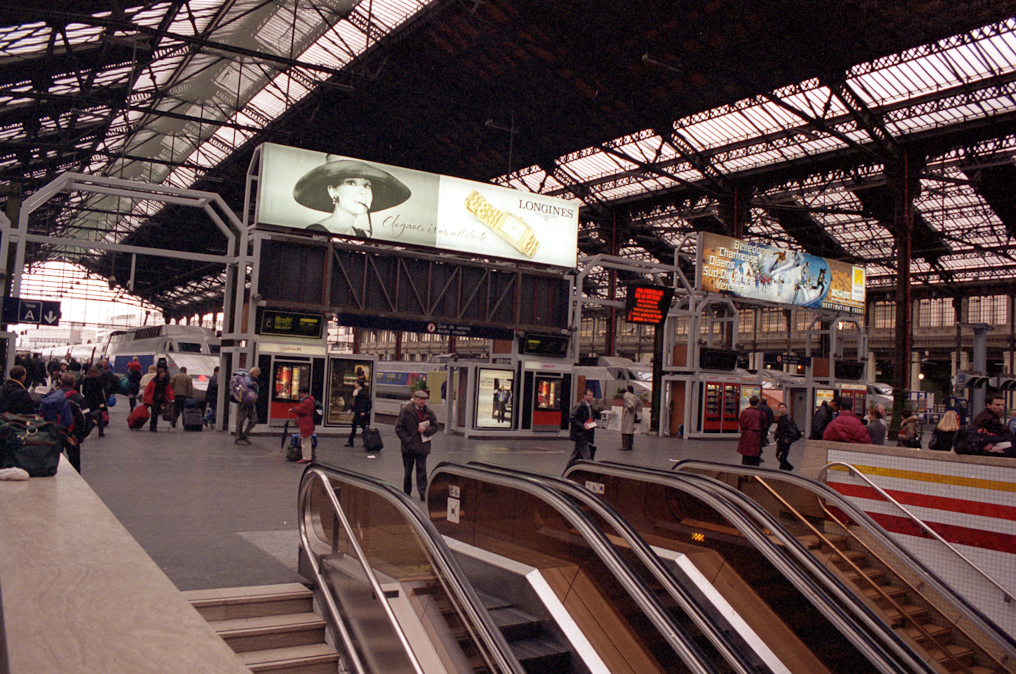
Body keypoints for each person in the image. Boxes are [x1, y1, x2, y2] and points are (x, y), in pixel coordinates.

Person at [292, 158, 411, 237]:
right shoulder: (315, 232)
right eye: (351, 183)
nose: (363, 191)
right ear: (333, 191)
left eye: (367, 185)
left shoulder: (362, 236)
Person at [395, 389, 438, 501]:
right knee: (408, 471)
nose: (422, 401)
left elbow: (435, 427)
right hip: (408, 447)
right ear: (414, 399)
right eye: (420, 399)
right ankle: (407, 492)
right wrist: (407, 440)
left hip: (422, 447)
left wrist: (426, 430)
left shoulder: (429, 412)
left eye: (424, 399)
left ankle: (423, 493)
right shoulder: (406, 411)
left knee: (422, 471)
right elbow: (399, 428)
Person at [567, 389, 600, 468]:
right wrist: (582, 426)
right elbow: (572, 418)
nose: (591, 397)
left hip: (586, 434)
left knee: (575, 454)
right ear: (584, 396)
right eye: (589, 395)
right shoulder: (580, 406)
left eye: (592, 395)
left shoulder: (590, 407)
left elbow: (591, 417)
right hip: (580, 434)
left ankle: (568, 468)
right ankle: (589, 470)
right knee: (587, 455)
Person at [232, 367, 261, 445]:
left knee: (254, 420)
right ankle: (238, 437)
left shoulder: (254, 380)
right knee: (241, 420)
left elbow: (257, 391)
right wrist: (253, 384)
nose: (257, 374)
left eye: (258, 372)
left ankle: (244, 435)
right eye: (256, 372)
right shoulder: (247, 378)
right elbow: (248, 384)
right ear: (251, 372)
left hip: (251, 403)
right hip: (244, 403)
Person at [289, 386, 316, 464]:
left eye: (301, 393)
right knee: (307, 439)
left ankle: (306, 457)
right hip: (308, 421)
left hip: (306, 422)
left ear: (305, 393)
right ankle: (308, 456)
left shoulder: (307, 401)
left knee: (305, 440)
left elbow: (301, 409)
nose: (300, 395)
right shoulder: (310, 399)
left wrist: (293, 409)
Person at [143, 366, 174, 433]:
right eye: (162, 373)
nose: (164, 374)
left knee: (157, 412)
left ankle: (153, 426)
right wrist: (145, 398)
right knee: (154, 413)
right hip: (154, 399)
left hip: (162, 399)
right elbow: (148, 389)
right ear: (159, 373)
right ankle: (153, 427)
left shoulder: (166, 382)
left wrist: (171, 397)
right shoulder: (153, 381)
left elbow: (169, 390)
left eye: (164, 373)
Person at [81, 366, 109, 438]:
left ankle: (86, 430)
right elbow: (100, 393)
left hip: (88, 400)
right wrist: (102, 402)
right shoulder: (98, 380)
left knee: (89, 416)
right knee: (99, 416)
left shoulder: (86, 380)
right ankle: (100, 431)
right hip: (97, 400)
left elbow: (84, 392)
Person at [737, 395, 765, 466]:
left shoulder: (745, 412)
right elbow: (764, 425)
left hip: (746, 435)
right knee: (755, 455)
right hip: (757, 436)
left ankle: (745, 471)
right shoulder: (761, 413)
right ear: (758, 403)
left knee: (746, 455)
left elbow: (741, 422)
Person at [772, 402, 800, 470]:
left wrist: (787, 440)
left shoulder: (788, 419)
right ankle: (786, 468)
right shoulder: (781, 418)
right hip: (781, 440)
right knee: (779, 455)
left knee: (782, 456)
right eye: (780, 408)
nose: (782, 409)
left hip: (785, 440)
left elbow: (792, 431)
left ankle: (786, 469)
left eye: (783, 408)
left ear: (786, 409)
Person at [345, 379, 371, 447]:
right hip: (358, 412)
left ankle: (352, 442)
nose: (354, 384)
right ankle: (367, 442)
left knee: (359, 427)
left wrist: (363, 412)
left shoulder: (363, 393)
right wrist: (352, 409)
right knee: (361, 427)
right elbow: (357, 404)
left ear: (359, 384)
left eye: (356, 383)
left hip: (360, 413)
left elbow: (364, 403)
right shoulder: (357, 392)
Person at [620, 385, 641, 451]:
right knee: (630, 430)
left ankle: (625, 445)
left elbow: (631, 405)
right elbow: (640, 402)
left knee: (625, 429)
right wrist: (634, 411)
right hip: (632, 415)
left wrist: (631, 410)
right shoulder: (634, 396)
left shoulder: (626, 396)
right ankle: (630, 445)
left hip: (627, 414)